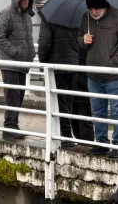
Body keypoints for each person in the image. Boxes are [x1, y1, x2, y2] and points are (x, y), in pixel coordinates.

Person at [82, 0, 118, 159]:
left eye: (97, 9)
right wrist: (82, 41)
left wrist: (113, 63)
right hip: (94, 75)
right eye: (90, 9)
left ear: (104, 6)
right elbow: (77, 41)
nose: (94, 12)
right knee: (98, 111)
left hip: (114, 75)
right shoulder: (86, 18)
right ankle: (101, 143)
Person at [37, 17, 94, 149]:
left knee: (59, 102)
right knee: (67, 101)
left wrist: (43, 62)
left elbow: (44, 44)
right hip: (73, 65)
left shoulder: (49, 18)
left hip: (56, 66)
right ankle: (65, 134)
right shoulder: (77, 18)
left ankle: (65, 135)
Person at [0, 0, 36, 140]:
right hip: (10, 63)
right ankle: (9, 127)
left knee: (20, 96)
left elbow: (27, 39)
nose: (25, 1)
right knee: (12, 96)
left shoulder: (27, 17)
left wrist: (31, 54)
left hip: (22, 64)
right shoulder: (7, 13)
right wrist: (15, 52)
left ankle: (13, 125)